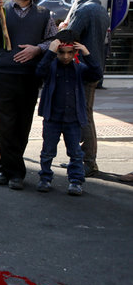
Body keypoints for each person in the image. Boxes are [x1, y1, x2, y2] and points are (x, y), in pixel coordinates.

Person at [0, 0, 57, 190]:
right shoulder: (2, 10)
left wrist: (37, 49)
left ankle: (6, 168)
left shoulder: (44, 14)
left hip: (29, 77)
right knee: (4, 125)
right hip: (4, 76)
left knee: (22, 126)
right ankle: (14, 171)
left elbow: (54, 40)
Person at [35, 30, 102, 196]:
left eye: (70, 53)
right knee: (48, 151)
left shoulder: (80, 69)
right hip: (53, 118)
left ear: (75, 52)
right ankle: (45, 178)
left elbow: (97, 74)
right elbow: (39, 72)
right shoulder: (51, 67)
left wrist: (87, 53)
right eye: (62, 52)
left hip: (73, 119)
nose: (65, 56)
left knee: (75, 153)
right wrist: (50, 52)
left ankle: (75, 181)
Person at [65, 0, 110, 177]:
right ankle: (81, 159)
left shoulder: (83, 10)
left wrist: (64, 26)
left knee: (84, 117)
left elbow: (69, 37)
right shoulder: (101, 10)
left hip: (82, 70)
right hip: (93, 68)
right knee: (84, 115)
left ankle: (88, 162)